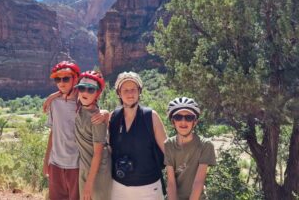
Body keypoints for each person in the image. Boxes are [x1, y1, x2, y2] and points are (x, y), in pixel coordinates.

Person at [109, 71, 167, 200]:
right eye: (125, 90)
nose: (130, 93)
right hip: (119, 186)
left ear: (139, 91)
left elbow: (167, 151)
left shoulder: (151, 116)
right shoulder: (113, 117)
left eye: (133, 89)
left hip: (149, 187)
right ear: (119, 93)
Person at [165, 97, 216, 200]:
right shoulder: (168, 144)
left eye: (188, 118)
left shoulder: (205, 145)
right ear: (172, 122)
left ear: (195, 122)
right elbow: (171, 182)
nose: (183, 122)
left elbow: (199, 182)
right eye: (178, 117)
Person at [43, 61, 81, 200]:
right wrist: (46, 161)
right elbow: (53, 133)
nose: (61, 82)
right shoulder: (54, 103)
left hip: (76, 165)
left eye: (66, 78)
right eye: (57, 79)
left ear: (75, 79)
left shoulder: (83, 102)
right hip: (55, 164)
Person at [74, 71, 111, 200]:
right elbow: (64, 91)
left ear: (97, 94)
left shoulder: (97, 119)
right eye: (81, 88)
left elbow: (98, 154)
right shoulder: (80, 108)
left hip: (98, 174)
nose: (85, 92)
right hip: (85, 169)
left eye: (91, 90)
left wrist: (89, 184)